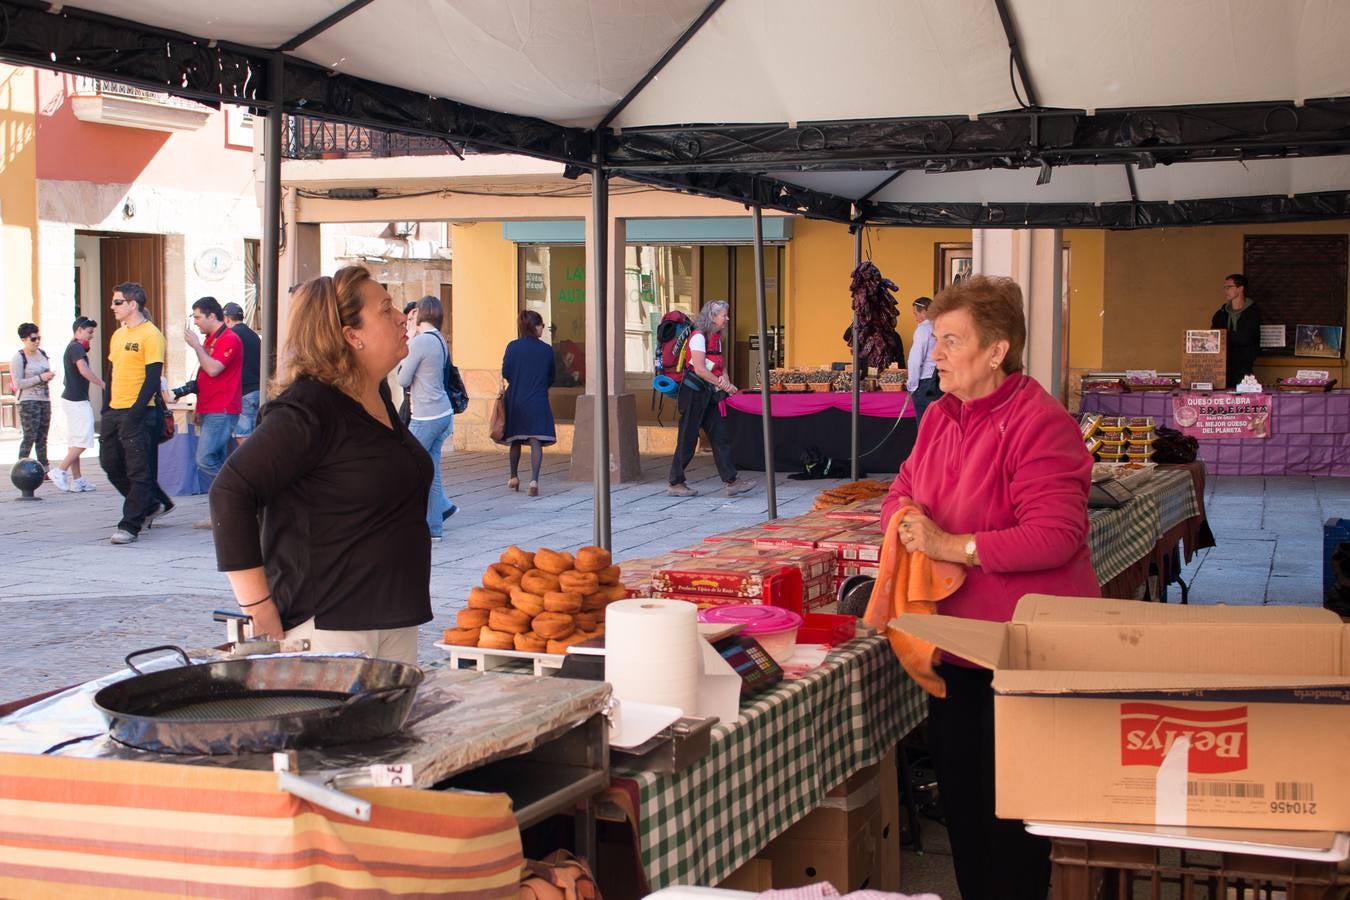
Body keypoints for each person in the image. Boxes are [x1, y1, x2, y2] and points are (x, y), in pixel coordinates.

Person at [879, 275, 1098, 900]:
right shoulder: (940, 418)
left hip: (1024, 651)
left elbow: (1057, 533)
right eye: (935, 340)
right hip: (955, 648)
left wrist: (954, 546)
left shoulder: (1039, 422)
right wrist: (905, 519)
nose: (936, 354)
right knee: (967, 809)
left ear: (997, 350)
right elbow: (901, 491)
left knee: (1014, 822)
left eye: (951, 340)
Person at [209, 266, 432, 663]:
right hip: (329, 627)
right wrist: (257, 606)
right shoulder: (309, 407)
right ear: (351, 335)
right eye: (386, 309)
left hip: (392, 617)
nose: (402, 317)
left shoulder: (376, 396)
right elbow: (230, 491)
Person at [100, 283, 175, 544]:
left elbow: (153, 378)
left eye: (117, 302)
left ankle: (130, 525)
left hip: (140, 413)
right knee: (109, 464)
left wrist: (136, 411)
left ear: (133, 304)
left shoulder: (151, 335)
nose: (113, 307)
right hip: (114, 410)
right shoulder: (118, 335)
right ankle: (152, 503)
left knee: (138, 471)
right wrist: (106, 405)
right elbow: (112, 373)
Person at [667, 300, 752, 497]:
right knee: (688, 437)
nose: (727, 318)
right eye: (724, 315)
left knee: (720, 435)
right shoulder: (698, 337)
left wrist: (727, 382)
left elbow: (719, 364)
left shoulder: (716, 337)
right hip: (693, 393)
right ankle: (675, 482)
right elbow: (699, 369)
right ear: (713, 317)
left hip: (709, 392)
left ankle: (731, 481)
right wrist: (723, 385)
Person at [397, 295, 458, 540]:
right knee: (431, 471)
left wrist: (409, 343)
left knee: (404, 466)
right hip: (443, 413)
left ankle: (403, 524)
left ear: (421, 314)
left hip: (426, 416)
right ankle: (434, 528)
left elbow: (402, 378)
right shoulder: (440, 340)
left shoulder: (421, 342)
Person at [172, 297, 243, 486]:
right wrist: (200, 407)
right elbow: (205, 378)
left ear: (211, 315)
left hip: (222, 408)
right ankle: (226, 502)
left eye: (197, 317)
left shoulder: (229, 338)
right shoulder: (211, 339)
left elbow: (213, 369)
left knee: (205, 459)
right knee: (215, 458)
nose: (195, 322)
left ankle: (237, 488)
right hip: (210, 407)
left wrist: (196, 346)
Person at [500, 309, 556, 497]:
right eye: (541, 324)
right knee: (535, 440)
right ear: (534, 326)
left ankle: (514, 477)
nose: (543, 328)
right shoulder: (547, 350)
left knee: (515, 439)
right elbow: (551, 377)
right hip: (538, 398)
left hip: (515, 398)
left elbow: (506, 372)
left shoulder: (512, 347)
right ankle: (534, 480)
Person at [51, 317, 105, 492]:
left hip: (72, 398)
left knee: (75, 440)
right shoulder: (76, 348)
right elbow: (83, 370)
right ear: (79, 330)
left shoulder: (73, 347)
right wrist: (102, 384)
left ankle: (78, 480)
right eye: (89, 332)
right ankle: (60, 470)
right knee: (84, 438)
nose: (91, 336)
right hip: (77, 400)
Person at [10, 323, 54, 474]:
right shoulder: (19, 358)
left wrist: (48, 376)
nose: (37, 342)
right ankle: (20, 470)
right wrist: (40, 377)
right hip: (28, 401)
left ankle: (45, 470)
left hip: (44, 399)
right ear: (24, 339)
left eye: (38, 338)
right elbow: (18, 383)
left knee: (43, 436)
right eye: (33, 339)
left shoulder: (42, 353)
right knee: (30, 436)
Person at [1210, 273, 1260, 389]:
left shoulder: (1252, 312)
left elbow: (1245, 338)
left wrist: (1223, 336)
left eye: (1229, 287)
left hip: (1243, 366)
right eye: (1225, 287)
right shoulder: (1221, 313)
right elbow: (1213, 336)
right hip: (1221, 365)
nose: (1226, 291)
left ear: (1240, 288)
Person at [221, 302, 261, 445]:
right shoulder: (254, 336)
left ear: (226, 319)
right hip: (259, 390)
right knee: (256, 435)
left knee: (242, 435)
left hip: (244, 392)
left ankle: (251, 466)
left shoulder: (231, 336)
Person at [905, 296, 941, 423]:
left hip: (925, 382)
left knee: (925, 424)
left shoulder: (923, 329)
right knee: (938, 423)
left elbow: (915, 360)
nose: (916, 318)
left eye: (916, 314)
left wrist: (912, 385)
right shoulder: (940, 326)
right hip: (939, 379)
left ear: (924, 312)